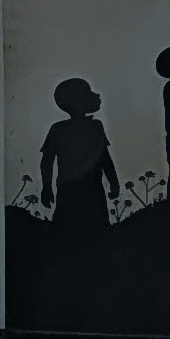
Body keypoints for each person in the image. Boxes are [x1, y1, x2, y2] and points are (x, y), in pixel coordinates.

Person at [41, 78, 119, 230]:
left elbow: (105, 159)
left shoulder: (92, 127)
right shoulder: (60, 129)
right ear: (79, 101)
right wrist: (46, 187)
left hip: (85, 187)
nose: (97, 95)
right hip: (77, 188)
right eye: (89, 93)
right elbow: (47, 161)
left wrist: (114, 182)